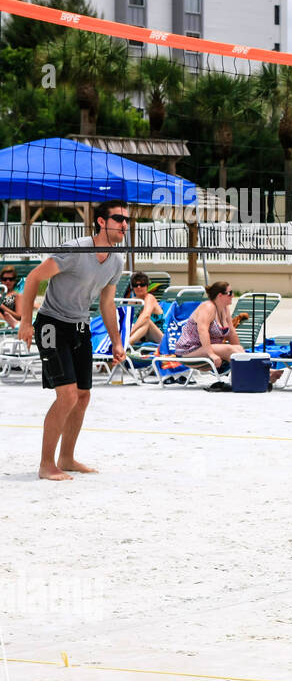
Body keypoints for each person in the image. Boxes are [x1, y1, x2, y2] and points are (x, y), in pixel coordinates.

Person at [16, 200, 127, 480]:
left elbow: (107, 302)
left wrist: (116, 341)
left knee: (83, 396)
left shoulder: (116, 259)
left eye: (127, 220)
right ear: (101, 222)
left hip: (80, 327)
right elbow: (33, 278)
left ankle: (66, 458)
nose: (125, 225)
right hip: (52, 323)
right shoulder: (76, 249)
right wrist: (27, 323)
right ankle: (46, 464)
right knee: (66, 395)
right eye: (118, 219)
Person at [175, 281, 245, 365]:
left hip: (205, 348)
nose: (233, 295)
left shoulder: (225, 309)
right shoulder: (208, 307)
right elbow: (202, 331)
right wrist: (211, 354)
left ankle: (247, 375)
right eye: (230, 293)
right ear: (220, 295)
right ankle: (247, 376)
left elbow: (231, 333)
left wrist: (239, 351)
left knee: (238, 348)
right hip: (188, 350)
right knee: (229, 350)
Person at [125, 272, 164, 345]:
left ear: (147, 286)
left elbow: (146, 316)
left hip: (159, 336)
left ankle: (125, 344)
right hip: (142, 335)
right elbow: (127, 319)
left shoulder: (149, 298)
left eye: (142, 285)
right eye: (135, 285)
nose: (138, 287)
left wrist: (130, 332)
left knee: (146, 321)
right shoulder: (132, 301)